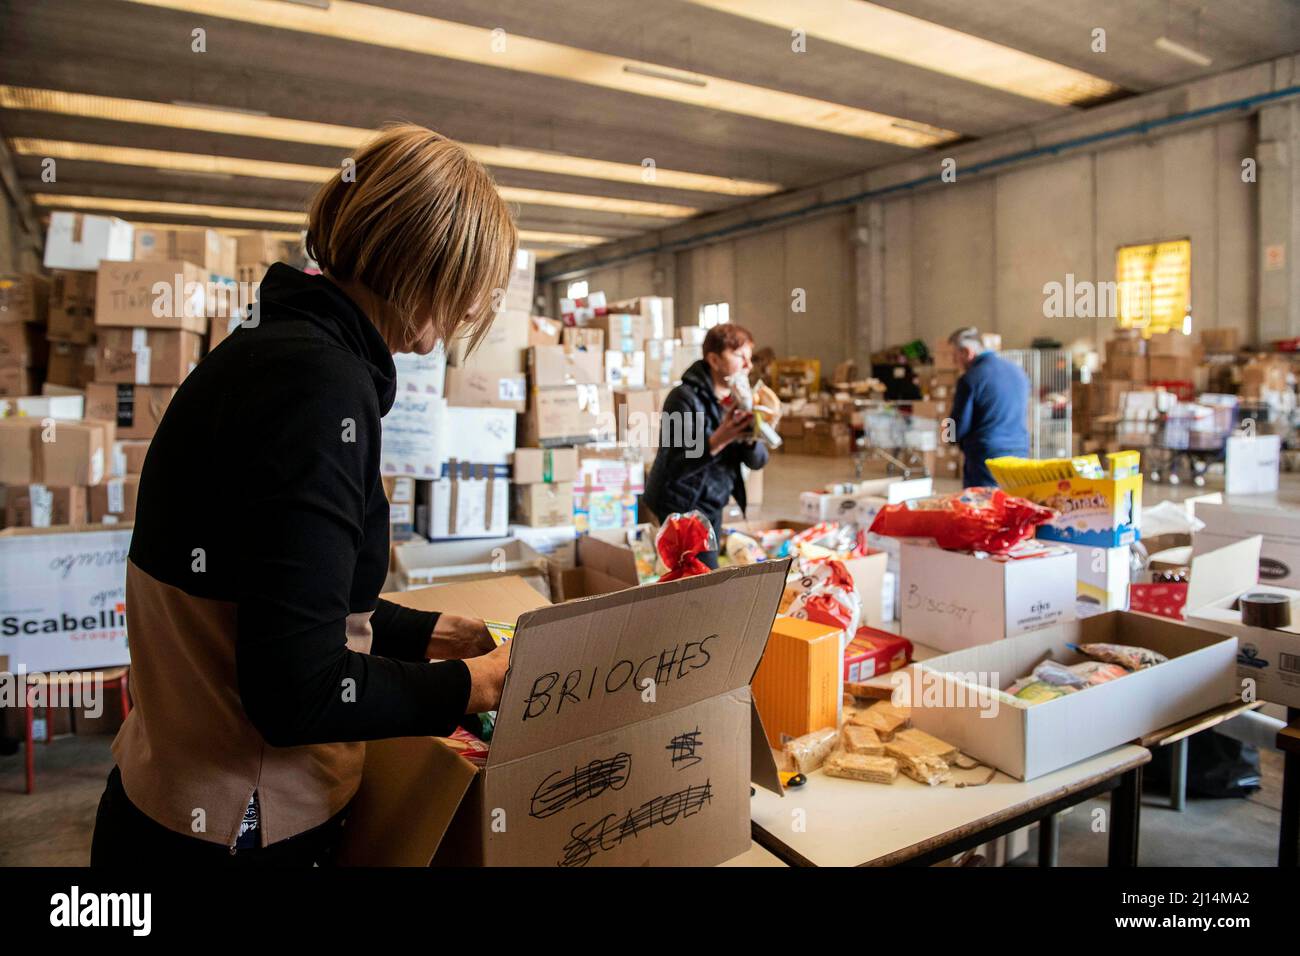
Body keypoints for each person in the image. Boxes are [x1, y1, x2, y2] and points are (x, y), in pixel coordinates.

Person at [90, 124, 517, 866]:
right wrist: (471, 686)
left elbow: (272, 599)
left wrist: (426, 634)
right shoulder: (320, 392)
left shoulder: (274, 348)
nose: (477, 306)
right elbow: (296, 691)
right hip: (239, 821)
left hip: (166, 788)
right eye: (474, 281)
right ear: (425, 265)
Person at [644, 323, 768, 569]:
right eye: (739, 356)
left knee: (702, 576)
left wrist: (751, 436)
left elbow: (758, 461)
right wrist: (718, 438)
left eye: (749, 358)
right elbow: (676, 465)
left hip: (712, 501)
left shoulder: (739, 401)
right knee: (695, 579)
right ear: (713, 359)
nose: (748, 365)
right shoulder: (682, 399)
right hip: (680, 506)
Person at [947, 326, 1030, 488]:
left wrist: (946, 437)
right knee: (1013, 503)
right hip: (1019, 450)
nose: (953, 361)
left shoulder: (970, 379)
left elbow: (958, 424)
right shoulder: (1018, 372)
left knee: (985, 506)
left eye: (954, 356)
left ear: (966, 352)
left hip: (986, 457)